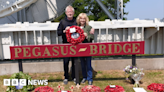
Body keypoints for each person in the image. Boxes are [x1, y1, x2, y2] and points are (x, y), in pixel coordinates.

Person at [57, 5, 76, 85]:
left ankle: (74, 77)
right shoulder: (62, 22)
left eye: (71, 12)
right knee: (66, 62)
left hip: (75, 45)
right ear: (66, 13)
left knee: (75, 62)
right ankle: (66, 77)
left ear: (73, 13)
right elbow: (58, 33)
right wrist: (64, 31)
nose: (70, 13)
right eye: (68, 12)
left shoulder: (76, 21)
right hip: (66, 45)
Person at [76, 13, 94, 85]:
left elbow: (92, 38)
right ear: (79, 19)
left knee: (88, 64)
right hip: (79, 48)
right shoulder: (76, 28)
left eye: (84, 18)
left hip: (87, 48)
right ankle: (84, 77)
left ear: (86, 19)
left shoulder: (89, 27)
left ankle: (90, 79)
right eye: (81, 18)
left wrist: (87, 36)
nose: (82, 20)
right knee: (82, 64)